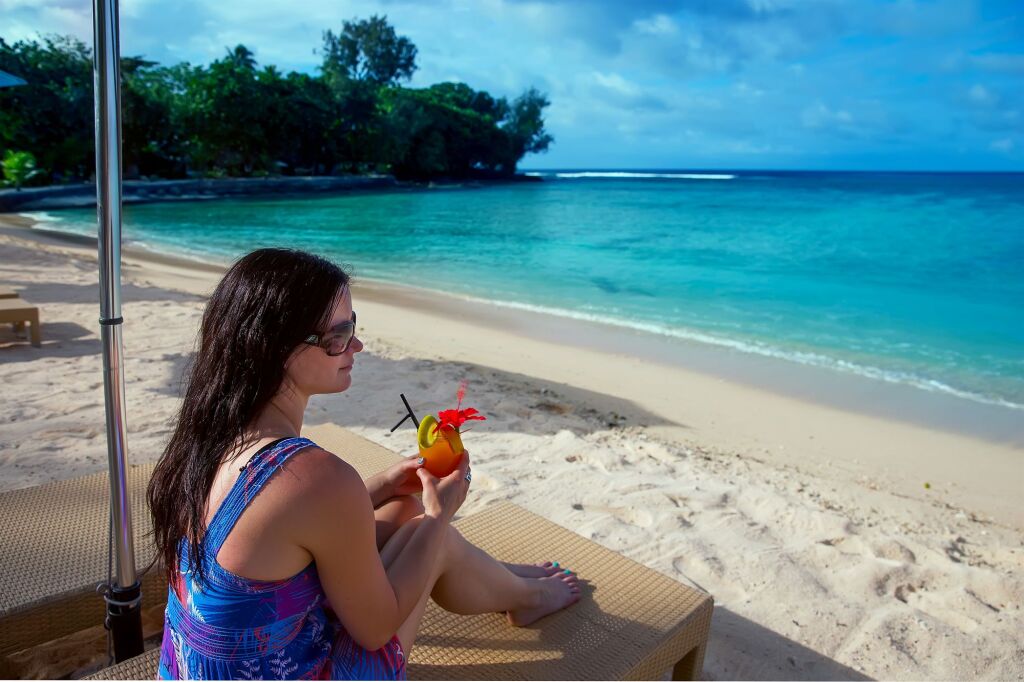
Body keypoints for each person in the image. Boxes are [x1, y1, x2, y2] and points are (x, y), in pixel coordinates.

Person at [147, 248, 581, 680]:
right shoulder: (312, 475)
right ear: (276, 349)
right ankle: (529, 597)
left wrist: (383, 486)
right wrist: (440, 514)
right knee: (436, 538)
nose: (356, 345)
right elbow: (376, 630)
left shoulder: (208, 437)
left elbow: (275, 519)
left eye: (351, 326)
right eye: (338, 336)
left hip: (191, 669)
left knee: (403, 508)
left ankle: (509, 582)